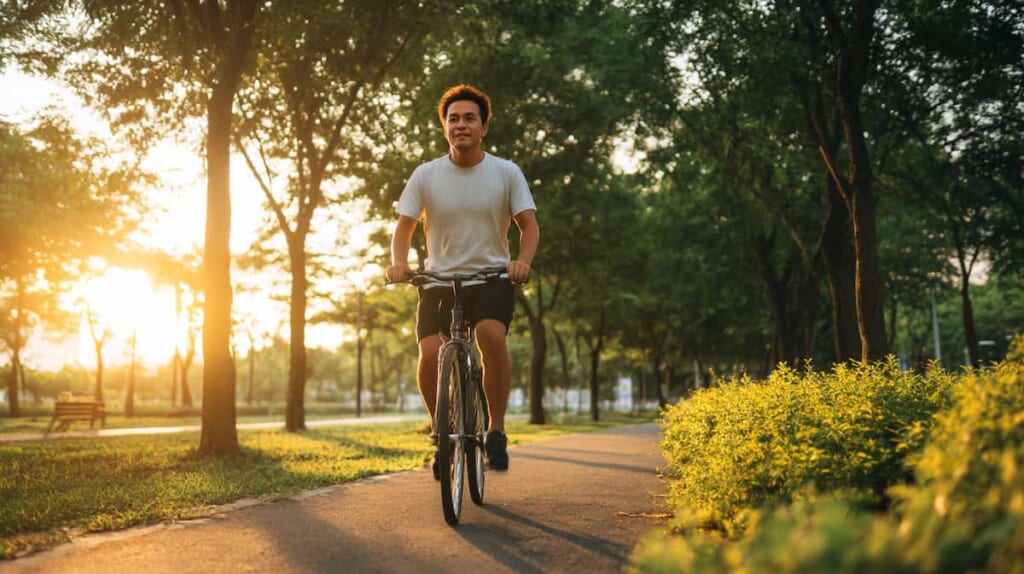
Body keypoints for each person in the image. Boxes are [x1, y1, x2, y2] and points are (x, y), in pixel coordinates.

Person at [385, 84, 539, 475]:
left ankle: (496, 430)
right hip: (438, 278)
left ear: (484, 127)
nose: (461, 125)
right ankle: (441, 431)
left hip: (490, 277)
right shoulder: (426, 175)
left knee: (490, 334)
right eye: (453, 119)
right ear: (444, 127)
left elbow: (529, 227)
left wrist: (521, 262)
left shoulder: (506, 172)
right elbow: (403, 229)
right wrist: (399, 264)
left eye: (470, 118)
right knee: (432, 353)